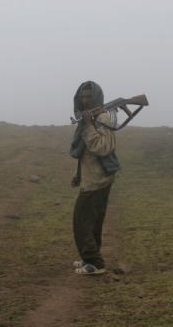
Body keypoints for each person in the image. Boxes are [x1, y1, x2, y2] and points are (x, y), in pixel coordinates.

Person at [70, 81, 120, 275]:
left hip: (98, 179)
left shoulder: (104, 117)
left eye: (88, 96)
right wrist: (78, 174)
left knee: (81, 221)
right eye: (82, 96)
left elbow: (103, 148)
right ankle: (90, 257)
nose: (84, 100)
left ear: (96, 97)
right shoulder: (90, 118)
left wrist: (89, 125)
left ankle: (94, 263)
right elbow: (85, 152)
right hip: (91, 177)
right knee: (92, 221)